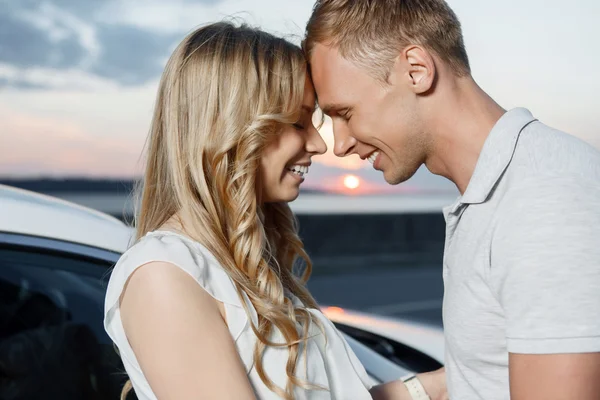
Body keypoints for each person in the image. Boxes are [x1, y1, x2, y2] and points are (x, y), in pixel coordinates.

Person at [103, 21, 445, 400]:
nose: (318, 144)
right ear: (231, 127)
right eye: (298, 122)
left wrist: (437, 387)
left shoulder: (237, 265)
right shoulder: (165, 274)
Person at [303, 1, 600, 399]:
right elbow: (487, 372)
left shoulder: (544, 200)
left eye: (345, 113)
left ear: (416, 70)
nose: (339, 145)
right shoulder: (498, 193)